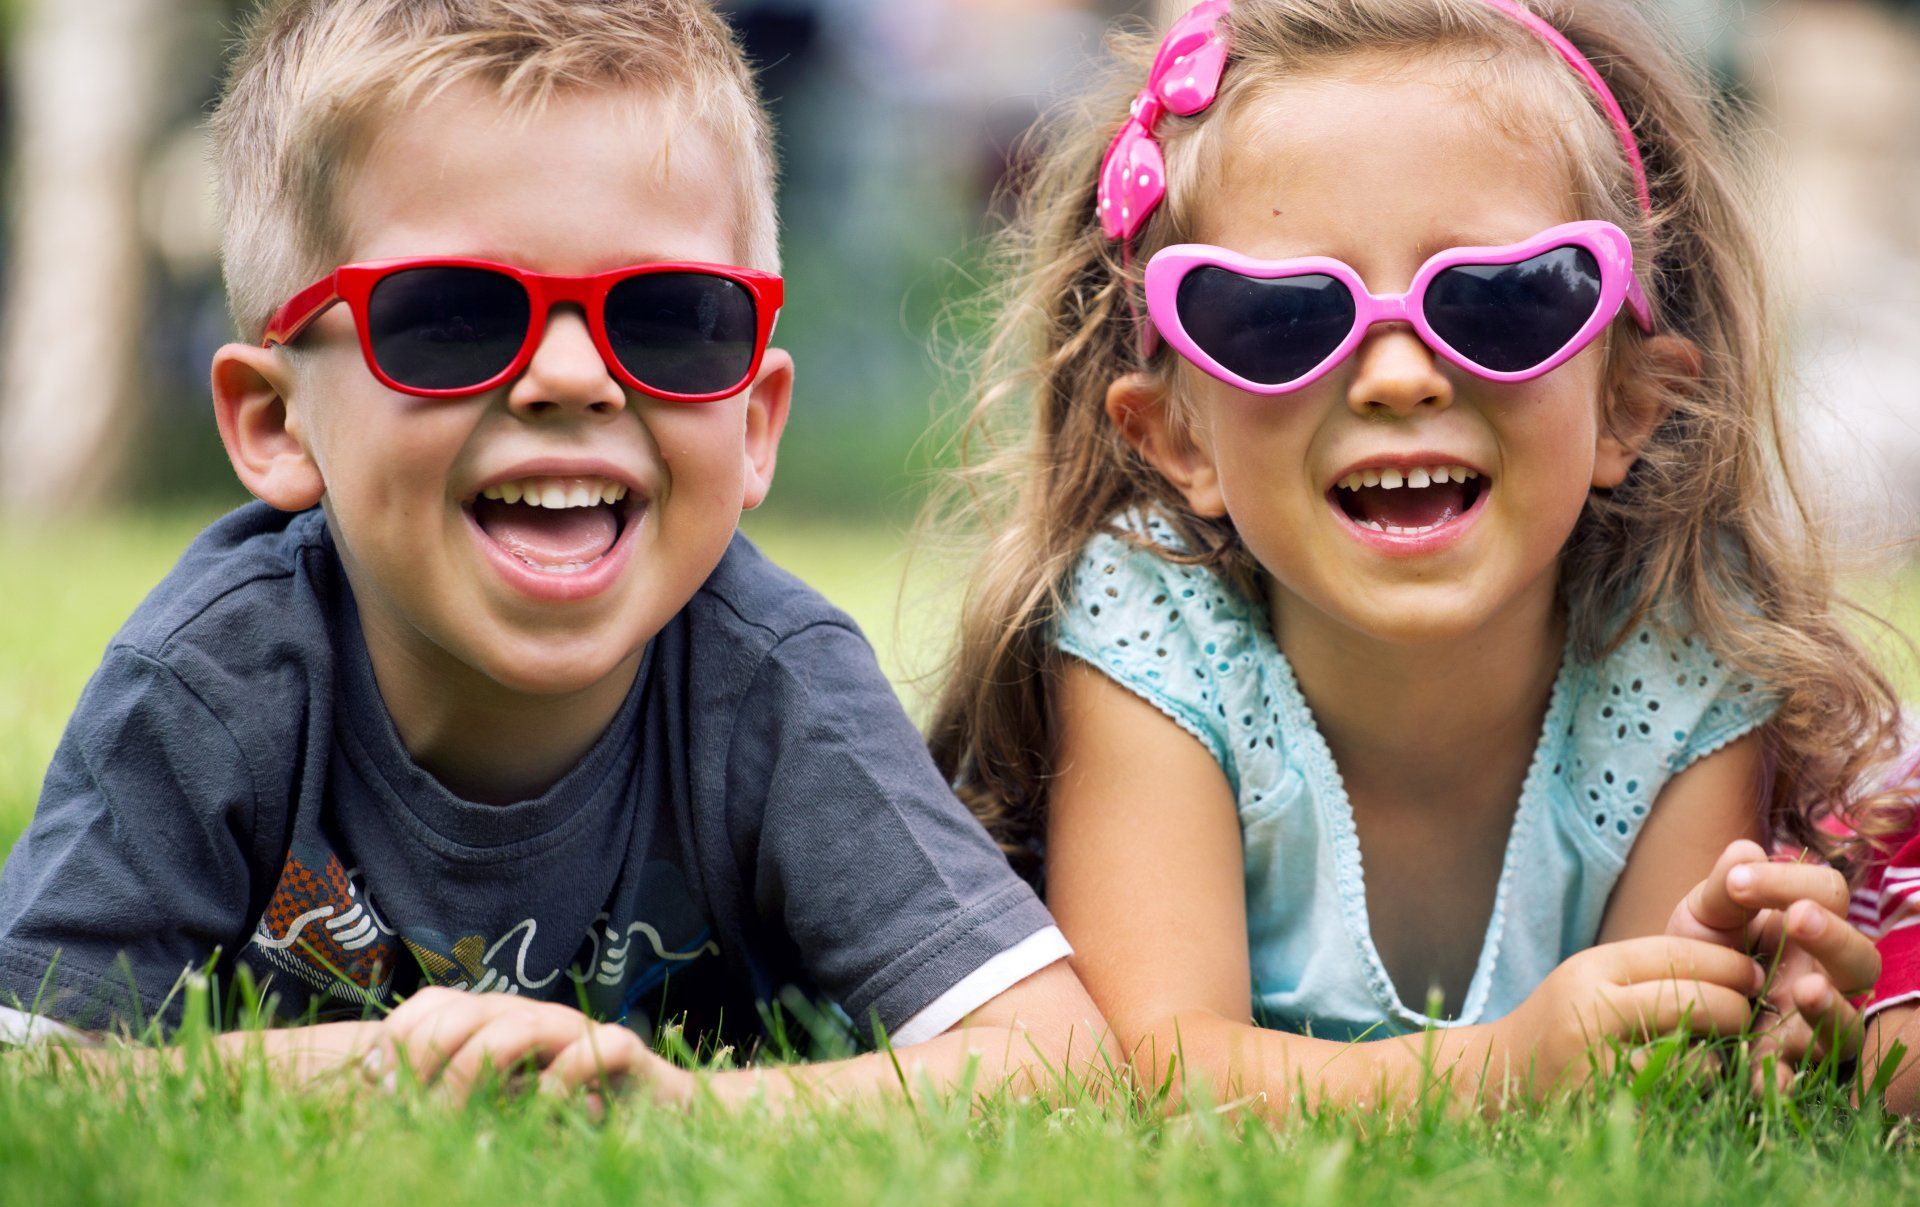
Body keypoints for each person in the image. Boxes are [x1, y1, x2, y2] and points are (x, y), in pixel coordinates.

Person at [0, 0, 1103, 1108]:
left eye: (670, 317)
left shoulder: (779, 688)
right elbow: (35, 1068)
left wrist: (683, 1109)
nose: (572, 378)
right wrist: (359, 1071)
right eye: (451, 315)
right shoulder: (206, 686)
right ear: (274, 423)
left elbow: (1058, 1061)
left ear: (756, 424)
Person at [926, 0, 1899, 1116]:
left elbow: (1649, 1080)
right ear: (1178, 438)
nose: (1397, 378)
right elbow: (1149, 1066)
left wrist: (1717, 1011)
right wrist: (1502, 1070)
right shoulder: (1153, 622)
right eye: (1280, 319)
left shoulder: (1689, 645)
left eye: (1501, 300)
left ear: (1631, 404)